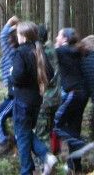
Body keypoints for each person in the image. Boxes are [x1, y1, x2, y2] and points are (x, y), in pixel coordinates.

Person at [11, 21, 58, 175]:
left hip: (22, 100)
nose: (17, 37)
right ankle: (45, 157)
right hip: (36, 100)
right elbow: (50, 74)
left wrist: (12, 74)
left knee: (22, 135)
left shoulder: (21, 52)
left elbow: (17, 77)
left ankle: (27, 170)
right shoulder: (38, 50)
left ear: (23, 36)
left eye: (18, 34)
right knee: (25, 132)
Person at [53, 27, 89, 173]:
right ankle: (75, 166)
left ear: (65, 39)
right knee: (74, 128)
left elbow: (46, 52)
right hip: (82, 94)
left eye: (59, 36)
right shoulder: (78, 52)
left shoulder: (62, 51)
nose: (56, 38)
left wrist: (56, 47)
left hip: (72, 94)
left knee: (57, 125)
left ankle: (81, 144)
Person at [0, 16, 19, 157]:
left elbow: (2, 35)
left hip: (16, 96)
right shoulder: (17, 52)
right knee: (0, 117)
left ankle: (4, 143)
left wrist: (9, 23)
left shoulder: (12, 52)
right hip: (13, 94)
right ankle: (9, 141)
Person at [34, 24, 61, 155]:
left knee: (41, 133)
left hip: (45, 99)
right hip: (57, 98)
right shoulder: (53, 51)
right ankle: (55, 155)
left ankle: (45, 162)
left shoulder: (39, 53)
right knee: (52, 130)